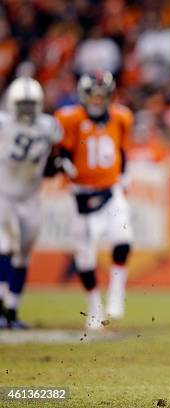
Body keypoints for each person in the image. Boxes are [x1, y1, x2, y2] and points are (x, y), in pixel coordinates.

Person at [54, 71, 133, 330]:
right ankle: (94, 307)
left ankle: (116, 293)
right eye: (93, 95)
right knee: (85, 259)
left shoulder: (121, 117)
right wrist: (63, 162)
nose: (98, 100)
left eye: (102, 95)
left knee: (123, 239)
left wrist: (123, 175)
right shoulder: (70, 118)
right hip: (82, 195)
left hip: (110, 191)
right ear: (84, 95)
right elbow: (60, 152)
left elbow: (122, 150)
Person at [0, 76, 63, 329]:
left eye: (30, 104)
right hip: (3, 194)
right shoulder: (3, 123)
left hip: (31, 197)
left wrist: (55, 165)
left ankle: (12, 310)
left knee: (24, 254)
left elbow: (55, 156)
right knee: (5, 245)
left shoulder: (49, 126)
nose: (26, 110)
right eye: (22, 104)